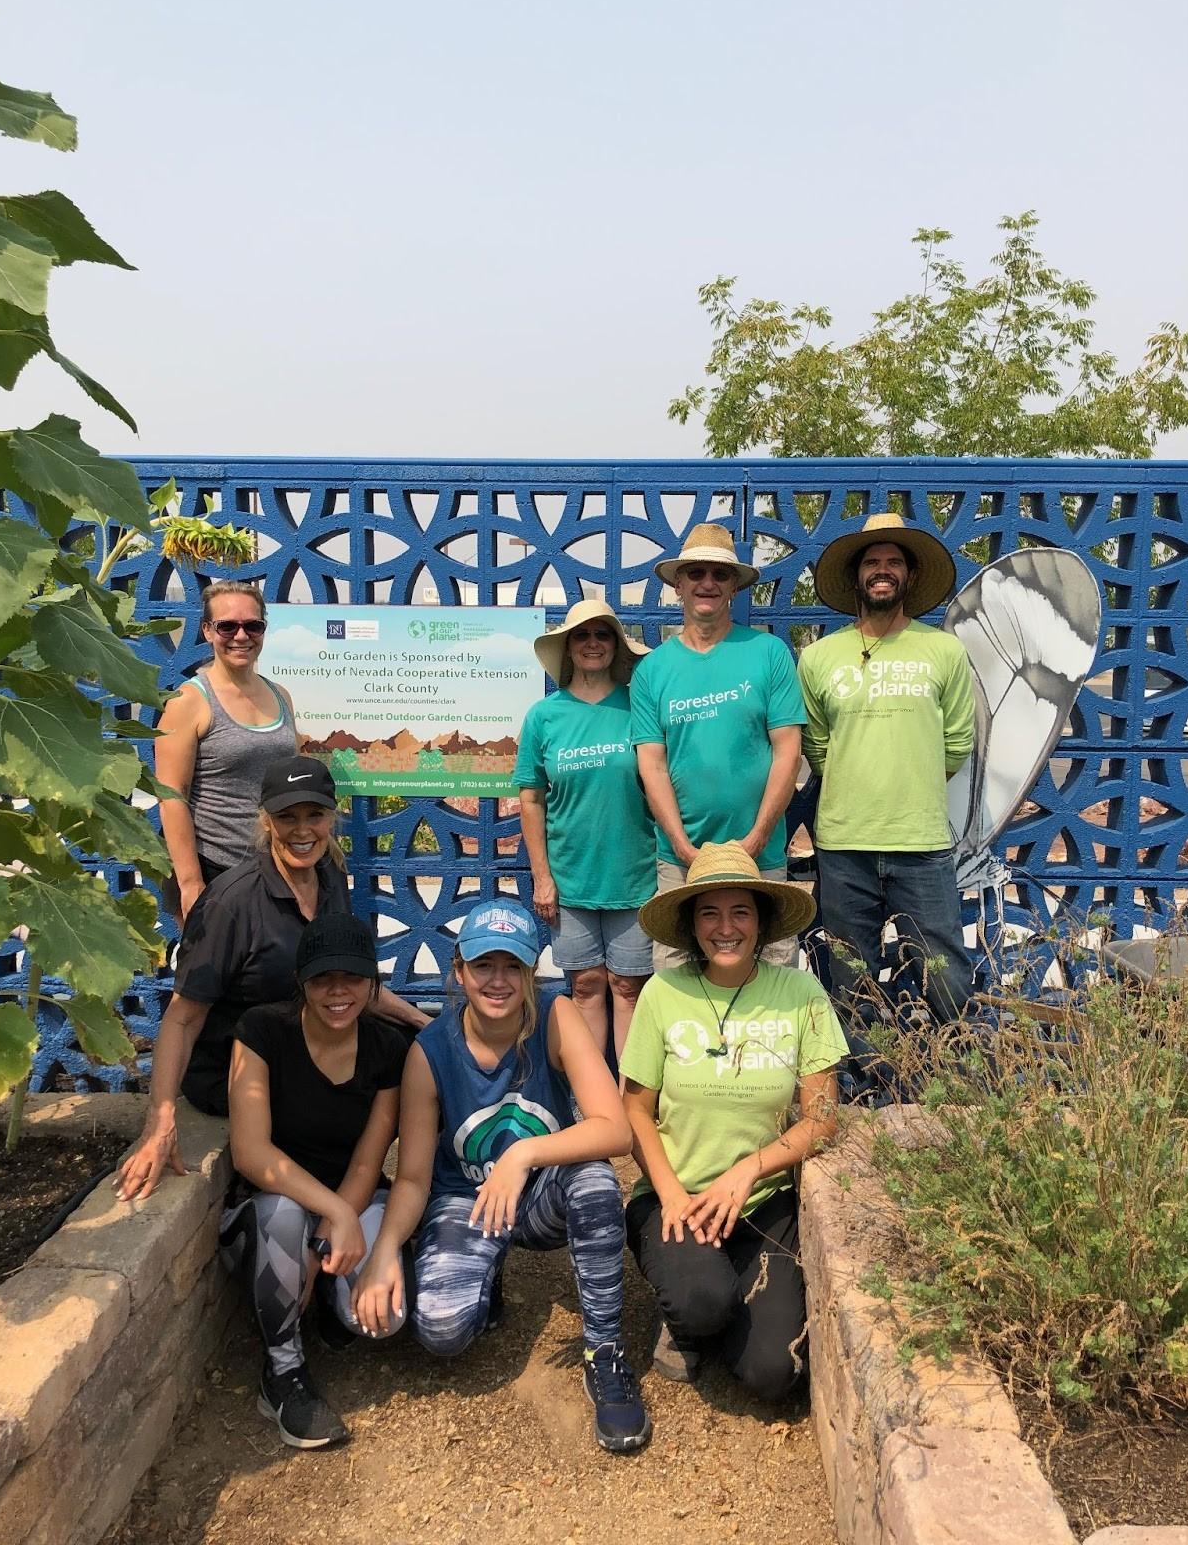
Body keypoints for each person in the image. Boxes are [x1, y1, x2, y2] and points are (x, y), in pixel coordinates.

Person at [351, 897, 652, 1454]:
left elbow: (615, 1130)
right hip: (466, 1201)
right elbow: (414, 1177)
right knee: (442, 1332)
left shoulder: (555, 1017)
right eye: (483, 965)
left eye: (512, 965)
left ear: (530, 972)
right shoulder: (430, 1050)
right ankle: (484, 1284)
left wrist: (523, 1156)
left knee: (594, 1180)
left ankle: (604, 1352)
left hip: (537, 1195)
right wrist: (388, 1248)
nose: (498, 980)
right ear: (459, 971)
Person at [115, 756, 425, 1202]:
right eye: (287, 818)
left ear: (331, 818)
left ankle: (426, 1198)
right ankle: (337, 1194)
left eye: (314, 816)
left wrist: (426, 1026)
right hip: (242, 1062)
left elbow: (349, 986)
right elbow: (183, 1018)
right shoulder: (230, 905)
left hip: (310, 1039)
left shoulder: (330, 876)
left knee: (420, 1058)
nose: (303, 831)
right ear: (265, 822)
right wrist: (159, 1123)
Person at [619, 842, 848, 1400]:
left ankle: (725, 1300)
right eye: (709, 913)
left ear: (762, 922)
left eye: (740, 911)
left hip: (761, 1203)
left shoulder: (800, 994)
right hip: (680, 1198)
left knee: (776, 1374)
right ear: (691, 925)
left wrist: (750, 1169)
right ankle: (695, 1309)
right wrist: (671, 1194)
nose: (726, 927)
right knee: (701, 1305)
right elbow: (635, 1109)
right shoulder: (662, 993)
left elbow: (821, 1118)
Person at [222, 914, 409, 1450]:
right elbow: (252, 1152)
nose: (337, 992)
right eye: (322, 978)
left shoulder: (386, 1049)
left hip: (346, 1199)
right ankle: (283, 1371)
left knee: (382, 1320)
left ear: (373, 984)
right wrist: (335, 1216)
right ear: (301, 982)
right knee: (281, 1213)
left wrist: (331, 1228)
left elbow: (366, 1164)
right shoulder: (263, 1031)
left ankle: (328, 1294)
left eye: (351, 978)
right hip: (271, 1210)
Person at [799, 513, 976, 1028]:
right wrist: (862, 780)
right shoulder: (818, 657)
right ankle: (864, 1086)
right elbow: (818, 744)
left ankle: (957, 1079)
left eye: (893, 562)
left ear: (910, 577)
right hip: (844, 845)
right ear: (857, 576)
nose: (883, 570)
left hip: (920, 844)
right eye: (872, 562)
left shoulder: (943, 651)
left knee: (945, 974)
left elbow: (957, 742)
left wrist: (909, 781)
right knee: (850, 977)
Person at [628, 523, 807, 969]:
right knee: (676, 982)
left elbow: (789, 750)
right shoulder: (653, 670)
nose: (707, 583)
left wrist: (758, 836)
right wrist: (683, 846)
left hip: (759, 858)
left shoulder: (768, 653)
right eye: (696, 573)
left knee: (771, 985)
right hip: (679, 861)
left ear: (733, 587)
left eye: (719, 575)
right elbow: (652, 764)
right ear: (678, 585)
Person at [514, 598, 655, 1060]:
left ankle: (630, 1103)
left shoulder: (639, 707)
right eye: (582, 635)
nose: (593, 644)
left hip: (635, 876)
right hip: (570, 880)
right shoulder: (543, 715)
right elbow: (531, 798)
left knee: (629, 988)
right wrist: (542, 877)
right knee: (587, 986)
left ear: (616, 646)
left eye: (603, 635)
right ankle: (593, 1102)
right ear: (568, 648)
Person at [155, 581, 298, 925]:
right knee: (213, 976)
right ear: (207, 631)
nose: (241, 635)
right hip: (213, 867)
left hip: (273, 867)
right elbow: (171, 796)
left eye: (253, 625)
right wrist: (190, 883)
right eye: (227, 626)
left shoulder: (281, 696)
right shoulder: (188, 702)